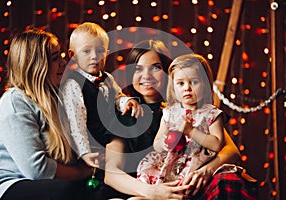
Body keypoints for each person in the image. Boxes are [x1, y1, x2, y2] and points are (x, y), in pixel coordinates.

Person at [104, 40, 258, 199]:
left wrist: (205, 171)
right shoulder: (126, 114)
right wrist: (152, 192)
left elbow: (231, 151)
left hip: (188, 185)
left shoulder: (188, 109)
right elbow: (111, 173)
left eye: (156, 67)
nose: (146, 75)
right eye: (138, 69)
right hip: (145, 190)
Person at [0, 29, 93, 200]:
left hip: (48, 183)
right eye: (55, 58)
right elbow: (38, 170)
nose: (64, 63)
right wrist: (84, 172)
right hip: (8, 184)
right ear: (36, 65)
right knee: (63, 191)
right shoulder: (15, 101)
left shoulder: (61, 97)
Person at [61, 22, 143, 171]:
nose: (94, 57)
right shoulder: (73, 85)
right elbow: (76, 123)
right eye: (86, 51)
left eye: (100, 51)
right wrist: (84, 153)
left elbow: (117, 97)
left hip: (110, 142)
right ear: (73, 56)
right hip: (90, 147)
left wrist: (127, 102)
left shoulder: (107, 78)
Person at [137, 53, 226, 185]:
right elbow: (156, 143)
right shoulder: (169, 112)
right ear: (173, 87)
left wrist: (191, 131)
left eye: (194, 82)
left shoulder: (211, 114)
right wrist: (164, 143)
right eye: (180, 83)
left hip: (195, 165)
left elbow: (217, 144)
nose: (187, 88)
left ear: (206, 84)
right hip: (170, 163)